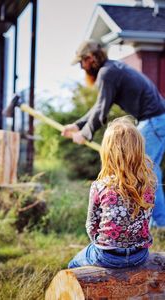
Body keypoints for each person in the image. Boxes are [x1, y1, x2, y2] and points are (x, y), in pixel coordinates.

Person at [62, 39, 165, 228]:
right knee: (149, 171)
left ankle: (157, 224)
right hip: (154, 120)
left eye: (81, 62)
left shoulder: (107, 73)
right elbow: (100, 105)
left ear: (90, 58)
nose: (81, 67)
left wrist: (85, 134)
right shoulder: (112, 69)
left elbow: (102, 110)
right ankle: (157, 223)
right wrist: (78, 126)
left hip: (153, 121)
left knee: (146, 172)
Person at [68, 116, 156, 269]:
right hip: (140, 255)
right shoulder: (148, 185)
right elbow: (146, 221)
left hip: (107, 256)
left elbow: (91, 225)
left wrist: (101, 242)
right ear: (138, 151)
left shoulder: (100, 185)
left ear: (107, 153)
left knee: (74, 264)